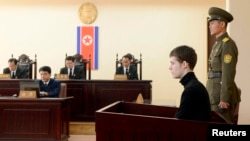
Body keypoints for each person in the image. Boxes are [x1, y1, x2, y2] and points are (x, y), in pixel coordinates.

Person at [206, 7, 240, 124]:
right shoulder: (217, 44)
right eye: (209, 23)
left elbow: (228, 73)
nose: (209, 26)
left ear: (222, 24)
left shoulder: (228, 44)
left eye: (212, 23)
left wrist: (224, 98)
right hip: (213, 93)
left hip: (221, 96)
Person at [169, 45, 211, 121]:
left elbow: (178, 121)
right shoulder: (193, 85)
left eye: (172, 63)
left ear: (184, 64)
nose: (170, 67)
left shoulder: (191, 90)